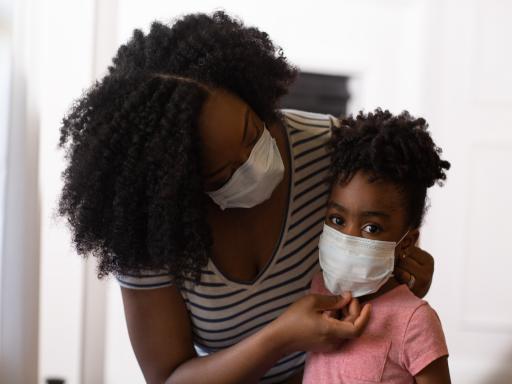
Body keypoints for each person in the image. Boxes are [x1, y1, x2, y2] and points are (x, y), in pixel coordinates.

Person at [58, 12, 435, 384]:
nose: (253, 164)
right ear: (177, 185)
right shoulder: (151, 231)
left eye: (252, 132)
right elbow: (170, 378)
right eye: (221, 172)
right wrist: (279, 339)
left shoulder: (331, 152)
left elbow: (386, 244)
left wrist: (399, 285)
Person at [303, 109, 451, 383]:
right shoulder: (318, 293)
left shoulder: (415, 322)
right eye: (337, 219)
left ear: (406, 241)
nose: (348, 238)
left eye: (371, 228)